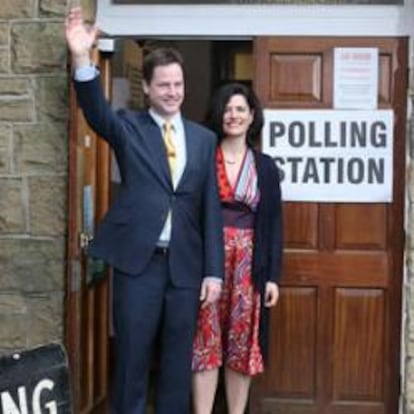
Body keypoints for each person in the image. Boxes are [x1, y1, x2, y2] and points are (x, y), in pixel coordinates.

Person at [65, 8, 224, 414]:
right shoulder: (129, 127)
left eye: (178, 84)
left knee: (175, 365)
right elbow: (95, 113)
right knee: (133, 359)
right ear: (149, 89)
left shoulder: (204, 140)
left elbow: (210, 209)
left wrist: (213, 272)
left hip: (186, 269)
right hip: (140, 265)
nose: (173, 91)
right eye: (164, 85)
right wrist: (83, 59)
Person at [192, 82, 283, 414]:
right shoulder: (203, 159)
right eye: (228, 109)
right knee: (205, 341)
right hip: (208, 264)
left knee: (241, 345)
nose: (233, 115)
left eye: (240, 109)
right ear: (219, 115)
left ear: (252, 116)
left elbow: (273, 224)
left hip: (249, 265)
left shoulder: (266, 167)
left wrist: (272, 276)